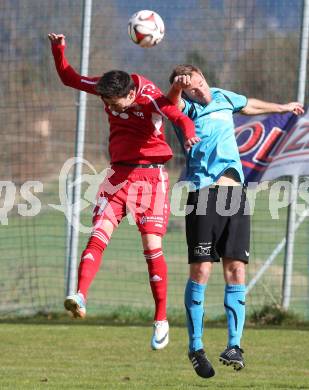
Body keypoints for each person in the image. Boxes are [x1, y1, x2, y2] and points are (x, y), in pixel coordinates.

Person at [48, 33, 199, 350]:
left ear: (131, 96)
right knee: (98, 234)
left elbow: (178, 115)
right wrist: (58, 48)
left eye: (113, 103)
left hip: (150, 178)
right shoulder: (108, 86)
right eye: (104, 101)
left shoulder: (150, 97)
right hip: (118, 174)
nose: (107, 106)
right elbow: (69, 78)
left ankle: (160, 319)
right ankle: (80, 295)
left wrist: (188, 136)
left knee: (151, 246)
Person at [167, 64, 304, 377]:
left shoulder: (222, 97)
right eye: (188, 85)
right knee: (202, 269)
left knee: (236, 268)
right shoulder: (184, 108)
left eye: (196, 79)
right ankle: (196, 346)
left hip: (235, 194)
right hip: (202, 194)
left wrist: (282, 107)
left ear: (204, 76)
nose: (194, 87)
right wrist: (177, 86)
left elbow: (250, 104)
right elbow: (171, 103)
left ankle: (234, 345)